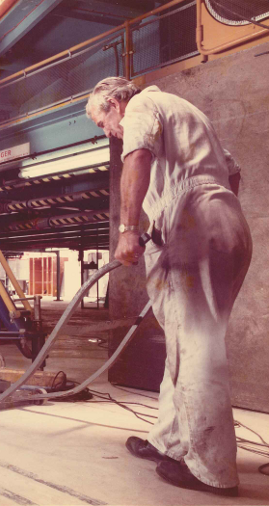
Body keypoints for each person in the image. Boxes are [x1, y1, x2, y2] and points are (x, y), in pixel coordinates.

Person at [86, 77, 252, 496]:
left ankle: (212, 469)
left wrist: (129, 229)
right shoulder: (188, 113)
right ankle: (171, 441)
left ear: (116, 101)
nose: (107, 131)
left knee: (195, 345)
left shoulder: (142, 106)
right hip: (223, 220)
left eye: (102, 121)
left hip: (193, 219)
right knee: (185, 340)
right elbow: (232, 172)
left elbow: (137, 157)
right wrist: (207, 214)